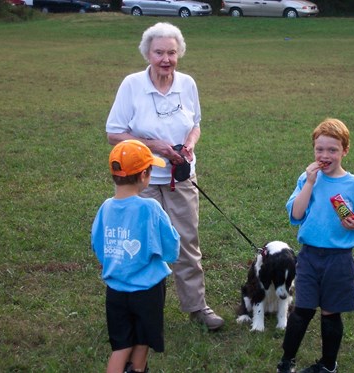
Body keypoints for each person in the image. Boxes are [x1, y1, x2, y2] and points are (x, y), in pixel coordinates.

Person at [105, 22, 224, 331]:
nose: (166, 59)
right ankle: (140, 308)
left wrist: (190, 143)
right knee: (142, 243)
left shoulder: (187, 84)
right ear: (147, 53)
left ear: (179, 53)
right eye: (159, 52)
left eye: (171, 52)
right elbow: (113, 133)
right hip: (140, 180)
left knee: (187, 242)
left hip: (181, 176)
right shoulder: (132, 84)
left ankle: (197, 307)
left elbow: (196, 123)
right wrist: (154, 145)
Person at [277, 118, 354, 373]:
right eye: (319, 149)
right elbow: (297, 215)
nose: (325, 155)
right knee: (302, 310)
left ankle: (328, 365)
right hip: (310, 256)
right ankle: (286, 361)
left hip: (340, 258)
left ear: (344, 151)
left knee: (331, 314)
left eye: (332, 150)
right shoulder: (307, 179)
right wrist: (310, 183)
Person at [91, 140, 180, 373]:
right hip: (147, 292)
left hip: (115, 291)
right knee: (141, 344)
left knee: (120, 347)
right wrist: (169, 255)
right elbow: (171, 247)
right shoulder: (150, 208)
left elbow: (98, 245)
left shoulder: (105, 208)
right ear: (143, 175)